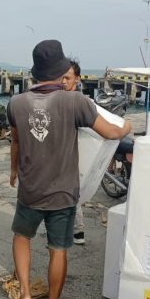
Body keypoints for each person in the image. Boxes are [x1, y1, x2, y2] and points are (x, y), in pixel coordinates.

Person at [8, 40, 131, 299]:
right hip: (62, 192)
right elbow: (111, 132)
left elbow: (15, 141)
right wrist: (126, 127)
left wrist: (14, 171)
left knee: (21, 236)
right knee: (58, 249)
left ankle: (26, 294)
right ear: (62, 71)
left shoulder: (16, 102)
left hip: (30, 188)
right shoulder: (74, 101)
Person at [61, 60, 87, 245]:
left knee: (72, 192)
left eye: (67, 77)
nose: (63, 81)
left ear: (77, 79)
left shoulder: (81, 101)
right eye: (61, 77)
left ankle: (77, 229)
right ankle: (64, 228)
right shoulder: (56, 98)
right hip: (57, 153)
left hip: (75, 154)